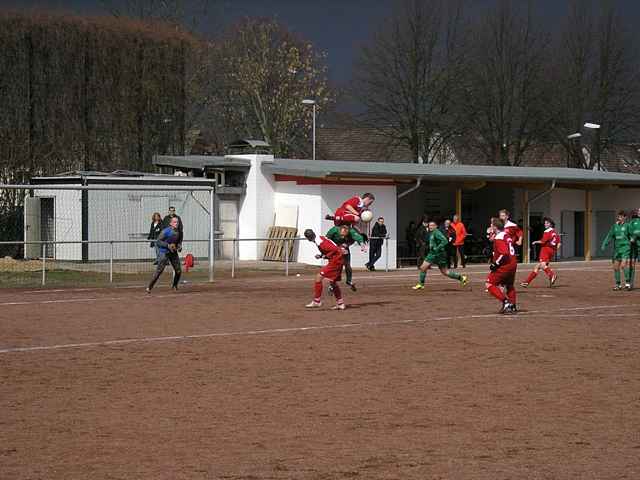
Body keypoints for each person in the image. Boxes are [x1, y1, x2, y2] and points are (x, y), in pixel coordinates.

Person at [412, 220, 468, 290]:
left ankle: (421, 284)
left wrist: (437, 248)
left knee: (423, 268)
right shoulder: (432, 233)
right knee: (445, 272)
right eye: (429, 226)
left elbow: (445, 240)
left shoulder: (436, 232)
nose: (430, 227)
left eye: (432, 225)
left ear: (436, 226)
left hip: (436, 254)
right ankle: (461, 278)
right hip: (435, 254)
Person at [304, 229, 346, 310]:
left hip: (336, 261)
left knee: (318, 277)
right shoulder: (320, 239)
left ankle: (317, 301)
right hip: (338, 260)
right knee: (333, 283)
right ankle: (340, 304)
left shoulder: (321, 242)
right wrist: (321, 256)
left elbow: (334, 249)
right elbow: (332, 249)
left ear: (308, 238)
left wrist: (324, 256)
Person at [485, 218, 518, 314]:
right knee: (509, 285)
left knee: (489, 284)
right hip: (513, 263)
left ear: (495, 227)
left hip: (505, 264)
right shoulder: (505, 235)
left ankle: (505, 302)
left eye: (491, 225)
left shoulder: (499, 237)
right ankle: (513, 305)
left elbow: (504, 253)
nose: (490, 227)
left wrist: (496, 263)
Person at [521, 217, 560, 288]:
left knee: (542, 265)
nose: (545, 224)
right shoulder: (555, 232)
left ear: (551, 224)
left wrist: (535, 242)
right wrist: (554, 251)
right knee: (537, 266)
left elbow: (543, 241)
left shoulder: (547, 231)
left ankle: (552, 275)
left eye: (547, 223)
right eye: (545, 223)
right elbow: (559, 243)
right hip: (551, 250)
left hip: (545, 250)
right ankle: (527, 282)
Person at [325, 224, 367, 291]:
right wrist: (332, 249)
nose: (343, 237)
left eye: (345, 235)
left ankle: (349, 281)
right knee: (335, 267)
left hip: (344, 248)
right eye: (342, 235)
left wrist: (362, 245)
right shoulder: (334, 230)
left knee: (348, 265)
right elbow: (326, 240)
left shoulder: (351, 231)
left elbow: (359, 237)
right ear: (340, 230)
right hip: (334, 249)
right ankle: (332, 284)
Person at [146, 216, 182, 293]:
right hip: (164, 252)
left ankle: (175, 285)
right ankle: (149, 287)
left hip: (173, 253)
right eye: (175, 222)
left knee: (178, 270)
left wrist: (179, 246)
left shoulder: (179, 232)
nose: (177, 223)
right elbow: (158, 242)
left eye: (177, 222)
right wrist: (167, 245)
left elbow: (178, 242)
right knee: (159, 271)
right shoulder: (166, 231)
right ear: (171, 223)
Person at [601, 210, 633, 290]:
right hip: (617, 249)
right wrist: (604, 244)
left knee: (623, 265)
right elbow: (609, 236)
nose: (620, 218)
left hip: (625, 248)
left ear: (625, 218)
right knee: (615, 267)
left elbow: (632, 235)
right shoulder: (614, 226)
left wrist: (633, 240)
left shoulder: (627, 226)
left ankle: (628, 283)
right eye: (619, 216)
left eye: (621, 216)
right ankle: (618, 284)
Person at [629, 208, 640, 287]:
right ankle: (630, 283)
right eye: (639, 211)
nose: (639, 212)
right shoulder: (633, 221)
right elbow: (629, 231)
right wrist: (630, 238)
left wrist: (635, 236)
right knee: (632, 263)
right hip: (633, 246)